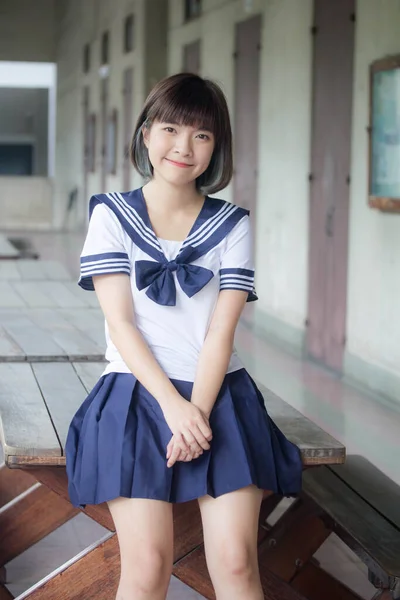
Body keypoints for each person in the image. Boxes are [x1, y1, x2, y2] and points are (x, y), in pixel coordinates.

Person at [66, 73, 302, 600]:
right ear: (146, 134)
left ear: (217, 147)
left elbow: (221, 332)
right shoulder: (110, 215)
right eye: (171, 128)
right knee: (148, 566)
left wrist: (196, 408)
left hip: (220, 393)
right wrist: (173, 407)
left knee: (238, 563)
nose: (183, 146)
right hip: (134, 395)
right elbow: (122, 324)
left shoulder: (232, 223)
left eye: (202, 135)